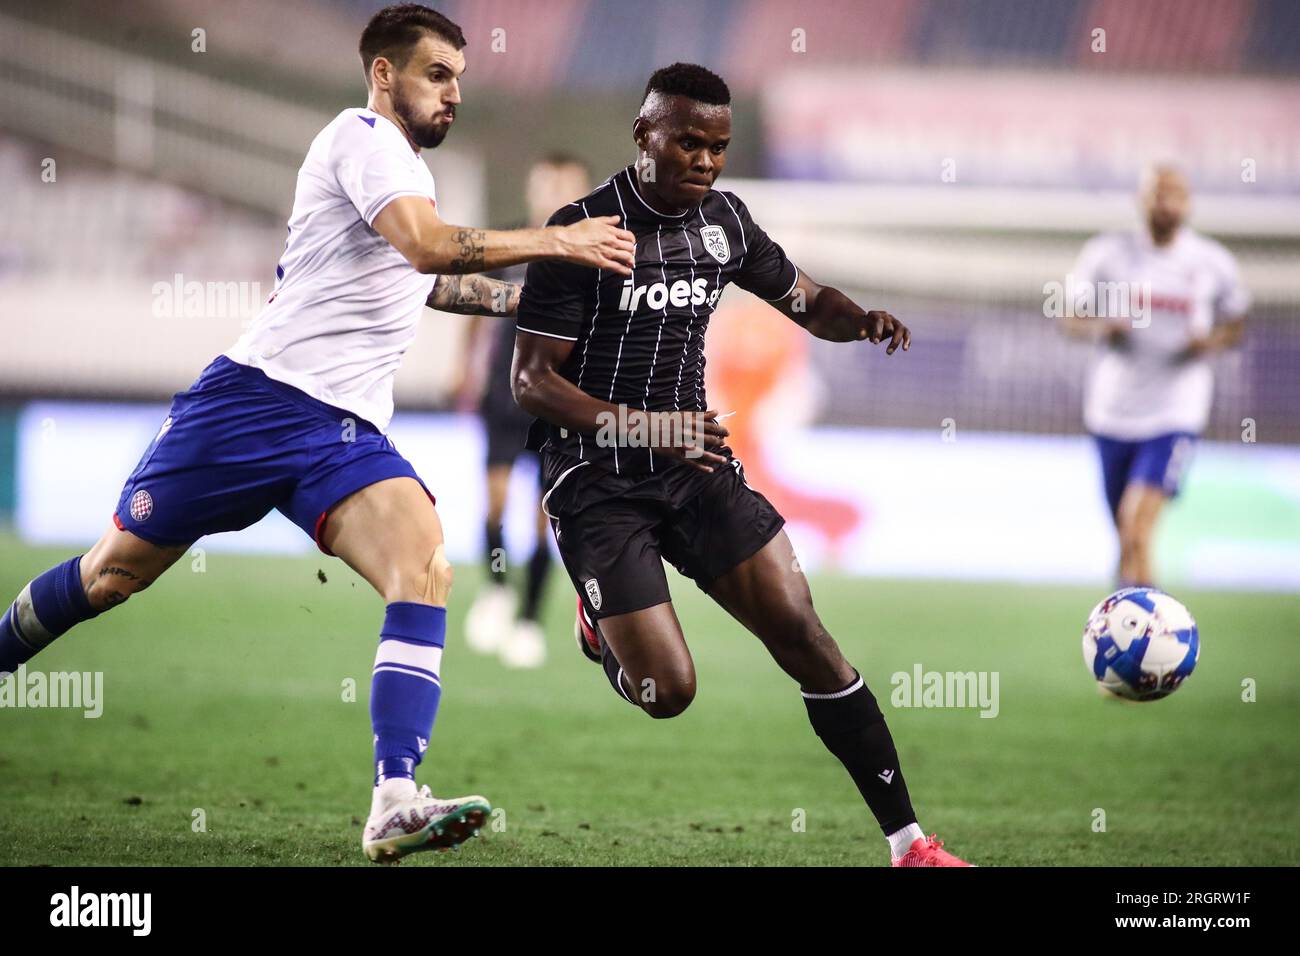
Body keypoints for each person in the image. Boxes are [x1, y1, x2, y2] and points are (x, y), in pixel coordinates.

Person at [0, 3, 634, 864]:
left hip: (343, 429)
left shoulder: (409, 172)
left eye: (458, 78)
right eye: (436, 74)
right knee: (110, 576)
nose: (453, 93)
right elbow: (426, 249)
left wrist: (535, 303)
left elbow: (431, 282)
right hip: (254, 404)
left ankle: (395, 798)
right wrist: (559, 245)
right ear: (384, 74)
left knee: (425, 564)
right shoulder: (358, 136)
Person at [512, 63, 970, 867]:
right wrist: (651, 429)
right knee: (668, 693)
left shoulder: (723, 222)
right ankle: (601, 629)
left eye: (718, 146)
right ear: (643, 134)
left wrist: (858, 319)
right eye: (688, 141)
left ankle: (910, 846)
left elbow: (804, 297)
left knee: (805, 633)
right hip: (594, 480)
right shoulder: (581, 232)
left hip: (694, 466)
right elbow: (533, 383)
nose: (705, 160)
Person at [1063, 165, 1249, 586]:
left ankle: (1154, 643)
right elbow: (1068, 318)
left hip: (1174, 411)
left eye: (1174, 196)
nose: (1165, 205)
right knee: (1126, 537)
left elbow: (1237, 322)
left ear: (1188, 204)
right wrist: (1101, 326)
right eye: (1156, 195)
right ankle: (1131, 615)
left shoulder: (1211, 262)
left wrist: (1211, 342)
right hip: (1112, 412)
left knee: (1137, 529)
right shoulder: (1107, 254)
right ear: (1140, 200)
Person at [458, 155, 593, 669]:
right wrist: (463, 368)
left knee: (543, 518)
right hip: (503, 390)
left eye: (567, 185)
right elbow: (472, 303)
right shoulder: (508, 241)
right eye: (548, 184)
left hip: (558, 396)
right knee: (494, 499)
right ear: (532, 188)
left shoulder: (594, 251)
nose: (555, 194)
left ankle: (530, 621)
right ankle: (496, 589)